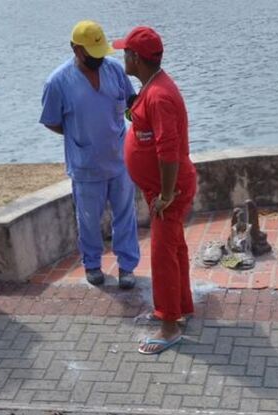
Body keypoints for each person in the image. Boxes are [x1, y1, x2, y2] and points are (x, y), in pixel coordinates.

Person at [112, 26, 198, 355]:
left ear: (135, 58)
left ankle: (169, 327)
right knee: (174, 250)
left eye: (125, 53)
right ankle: (180, 309)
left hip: (169, 192)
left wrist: (165, 194)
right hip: (162, 190)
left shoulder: (160, 95)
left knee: (163, 257)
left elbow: (168, 150)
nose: (122, 57)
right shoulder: (152, 87)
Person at [40, 20, 140, 289]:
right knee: (88, 220)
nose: (98, 60)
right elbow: (51, 120)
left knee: (125, 216)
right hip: (85, 166)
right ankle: (92, 264)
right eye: (91, 55)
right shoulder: (57, 82)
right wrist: (77, 134)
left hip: (119, 160)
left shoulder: (115, 70)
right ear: (75, 49)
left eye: (100, 54)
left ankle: (127, 266)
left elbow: (131, 104)